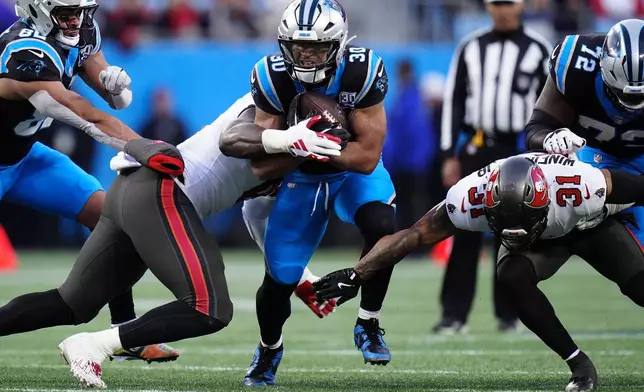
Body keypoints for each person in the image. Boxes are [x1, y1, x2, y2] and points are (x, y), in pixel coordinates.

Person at [0, 93, 343, 388]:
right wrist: (287, 142)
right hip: (160, 192)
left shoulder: (288, 138)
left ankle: (97, 340)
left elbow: (256, 215)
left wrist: (301, 276)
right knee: (209, 307)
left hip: (133, 190)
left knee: (73, 302)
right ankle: (94, 346)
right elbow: (236, 139)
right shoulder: (265, 112)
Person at [313, 152, 644, 392]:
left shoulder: (584, 187)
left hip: (591, 226)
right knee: (512, 274)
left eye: (521, 224)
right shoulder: (469, 198)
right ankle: (579, 365)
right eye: (503, 224)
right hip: (543, 242)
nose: (514, 232)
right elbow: (412, 235)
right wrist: (357, 273)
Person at [0, 0, 177, 362]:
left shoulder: (81, 33)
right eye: (65, 11)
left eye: (80, 11)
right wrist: (141, 147)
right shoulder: (25, 51)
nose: (75, 19)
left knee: (113, 220)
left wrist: (116, 86)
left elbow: (115, 101)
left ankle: (125, 333)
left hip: (25, 157)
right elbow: (82, 113)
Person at [240, 0, 396, 385]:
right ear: (283, 45)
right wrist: (294, 146)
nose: (306, 56)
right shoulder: (272, 76)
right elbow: (260, 163)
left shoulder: (362, 71)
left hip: (348, 169)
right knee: (280, 279)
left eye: (317, 48)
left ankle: (369, 322)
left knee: (383, 224)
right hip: (303, 175)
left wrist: (328, 147)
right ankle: (269, 349)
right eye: (298, 47)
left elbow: (367, 156)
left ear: (338, 45)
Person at [436, 0, 552, 333]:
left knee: (514, 234)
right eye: (496, 3)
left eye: (509, 3)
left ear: (521, 5)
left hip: (518, 151)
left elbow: (551, 102)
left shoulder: (539, 49)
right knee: (462, 228)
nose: (503, 10)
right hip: (477, 146)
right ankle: (453, 314)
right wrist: (449, 153)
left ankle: (510, 314)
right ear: (487, 7)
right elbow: (453, 100)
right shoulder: (470, 47)